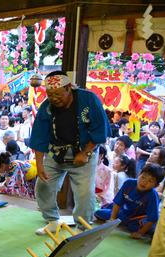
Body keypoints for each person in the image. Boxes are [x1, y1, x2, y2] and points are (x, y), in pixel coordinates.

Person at [30, 71, 109, 235]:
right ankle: (52, 220)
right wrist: (39, 164)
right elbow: (39, 135)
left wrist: (86, 152)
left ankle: (82, 228)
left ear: (68, 88)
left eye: (57, 94)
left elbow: (99, 128)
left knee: (84, 193)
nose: (53, 98)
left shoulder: (89, 100)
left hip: (84, 152)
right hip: (55, 153)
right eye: (50, 94)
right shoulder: (47, 106)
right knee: (43, 186)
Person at [94, 163, 163, 239]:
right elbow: (117, 203)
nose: (144, 182)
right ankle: (122, 222)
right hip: (123, 213)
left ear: (156, 185)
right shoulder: (128, 183)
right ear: (139, 174)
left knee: (147, 229)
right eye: (143, 177)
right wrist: (112, 220)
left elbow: (153, 218)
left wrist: (140, 233)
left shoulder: (152, 195)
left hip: (137, 219)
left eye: (150, 181)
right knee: (98, 213)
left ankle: (127, 224)